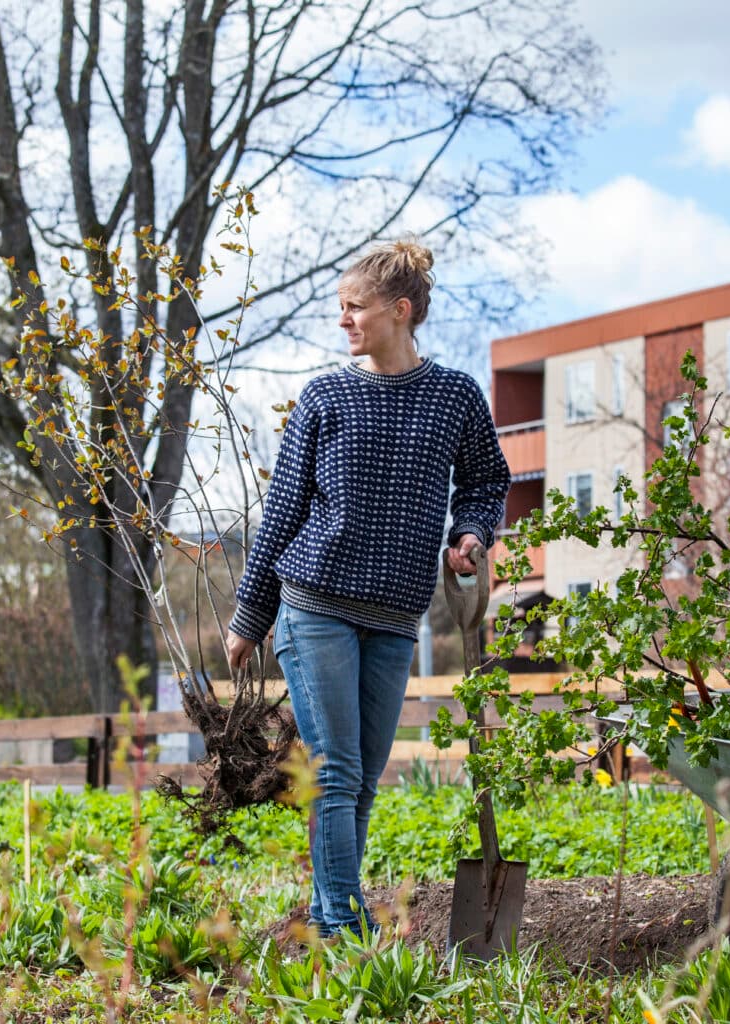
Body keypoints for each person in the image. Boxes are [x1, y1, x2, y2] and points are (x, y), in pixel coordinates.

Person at [225, 238, 509, 937]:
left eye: (356, 307)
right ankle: (347, 932)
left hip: (394, 617)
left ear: (400, 310)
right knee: (339, 772)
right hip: (314, 605)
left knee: (357, 783)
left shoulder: (454, 397)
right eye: (341, 309)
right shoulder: (326, 395)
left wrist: (471, 532)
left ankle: (330, 928)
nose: (344, 320)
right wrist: (250, 615)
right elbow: (284, 509)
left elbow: (486, 479)